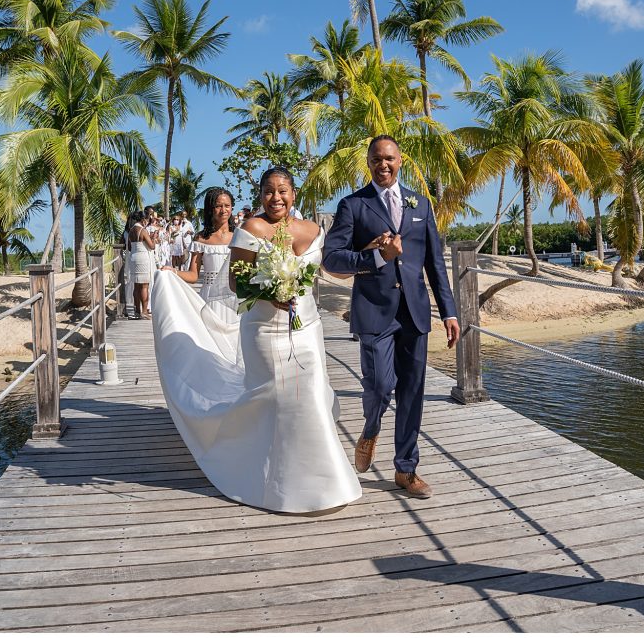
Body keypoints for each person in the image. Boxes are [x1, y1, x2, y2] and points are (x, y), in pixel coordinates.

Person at [152, 168, 362, 513]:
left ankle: (320, 481)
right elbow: (237, 284)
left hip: (307, 329)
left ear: (294, 194)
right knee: (273, 399)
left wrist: (374, 257)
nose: (275, 198)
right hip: (264, 331)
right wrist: (270, 291)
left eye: (282, 191)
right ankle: (267, 475)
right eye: (268, 192)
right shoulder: (251, 229)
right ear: (260, 195)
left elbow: (332, 270)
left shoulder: (313, 231)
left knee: (308, 395)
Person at [321, 135, 460, 498]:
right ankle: (370, 427)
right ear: (368, 163)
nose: (383, 165)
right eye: (376, 159)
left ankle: (406, 469)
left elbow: (434, 265)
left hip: (414, 312)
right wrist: (376, 257)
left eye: (390, 159)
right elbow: (332, 259)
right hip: (373, 311)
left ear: (400, 161)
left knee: (413, 391)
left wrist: (449, 311)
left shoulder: (421, 204)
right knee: (381, 386)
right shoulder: (353, 205)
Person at [160, 187, 239, 322]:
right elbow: (193, 275)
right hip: (209, 299)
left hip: (234, 298)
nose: (223, 210)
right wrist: (173, 271)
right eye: (218, 206)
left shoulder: (239, 236)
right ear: (210, 209)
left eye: (227, 206)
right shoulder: (201, 238)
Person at [128, 207, 157, 319]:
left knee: (136, 285)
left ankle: (137, 311)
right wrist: (153, 238)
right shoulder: (143, 230)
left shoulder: (131, 230)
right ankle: (144, 312)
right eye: (147, 219)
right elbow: (152, 246)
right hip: (143, 258)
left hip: (134, 257)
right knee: (144, 286)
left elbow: (130, 247)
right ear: (143, 219)